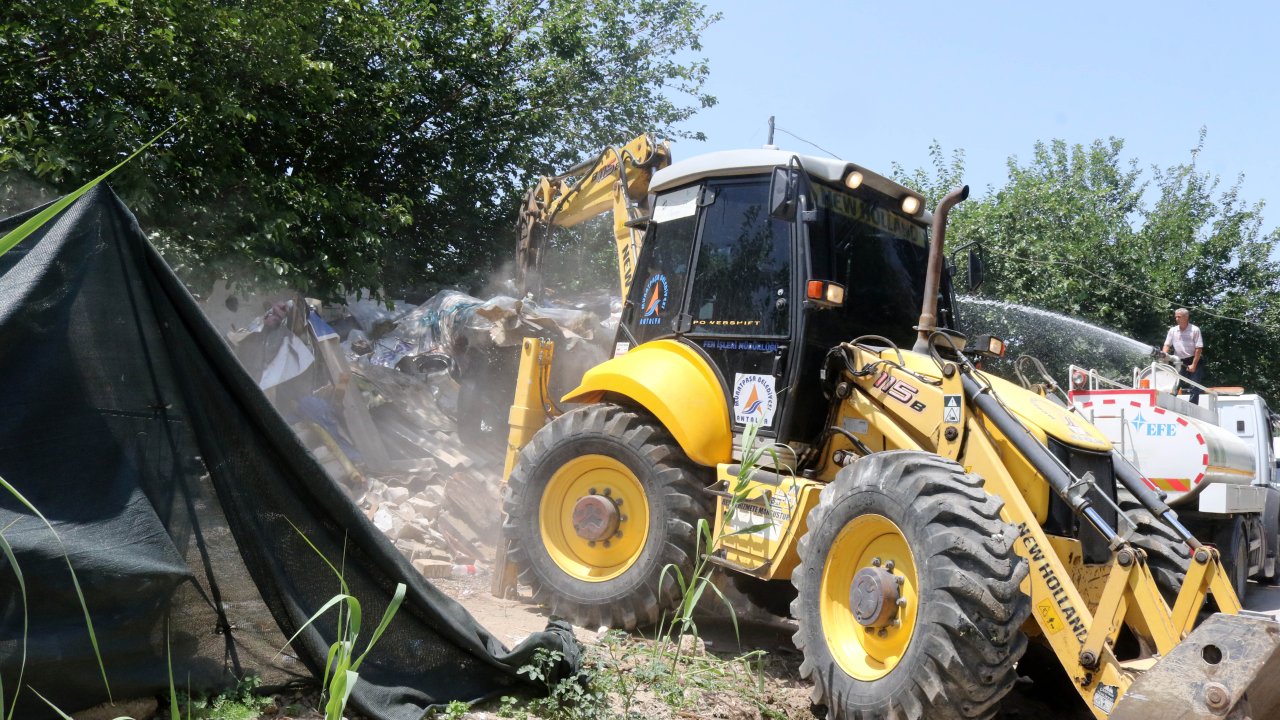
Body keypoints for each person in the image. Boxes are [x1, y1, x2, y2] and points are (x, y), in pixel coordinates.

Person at [1162, 307, 1204, 403]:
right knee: (1175, 384)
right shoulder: (1173, 330)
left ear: (1186, 317)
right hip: (1179, 361)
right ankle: (1169, 404)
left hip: (1194, 360)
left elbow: (1199, 348)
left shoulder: (1195, 329)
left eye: (1179, 317)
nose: (1177, 319)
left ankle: (1193, 407)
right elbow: (1167, 345)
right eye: (1176, 317)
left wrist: (1194, 365)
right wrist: (1164, 355)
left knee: (1194, 385)